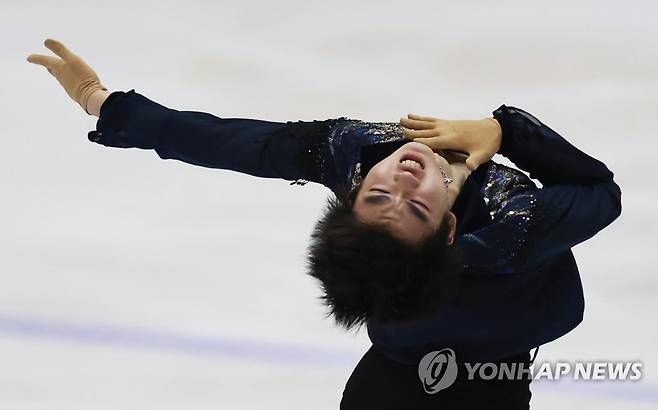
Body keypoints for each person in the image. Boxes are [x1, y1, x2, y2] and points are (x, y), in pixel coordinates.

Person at [28, 39, 622, 409]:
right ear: (445, 234)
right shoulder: (517, 224)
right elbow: (601, 191)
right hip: (437, 368)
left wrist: (103, 103)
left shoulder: (363, 159)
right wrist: (505, 132)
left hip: (463, 373)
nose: (403, 175)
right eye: (411, 203)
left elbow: (242, 143)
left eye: (379, 193)